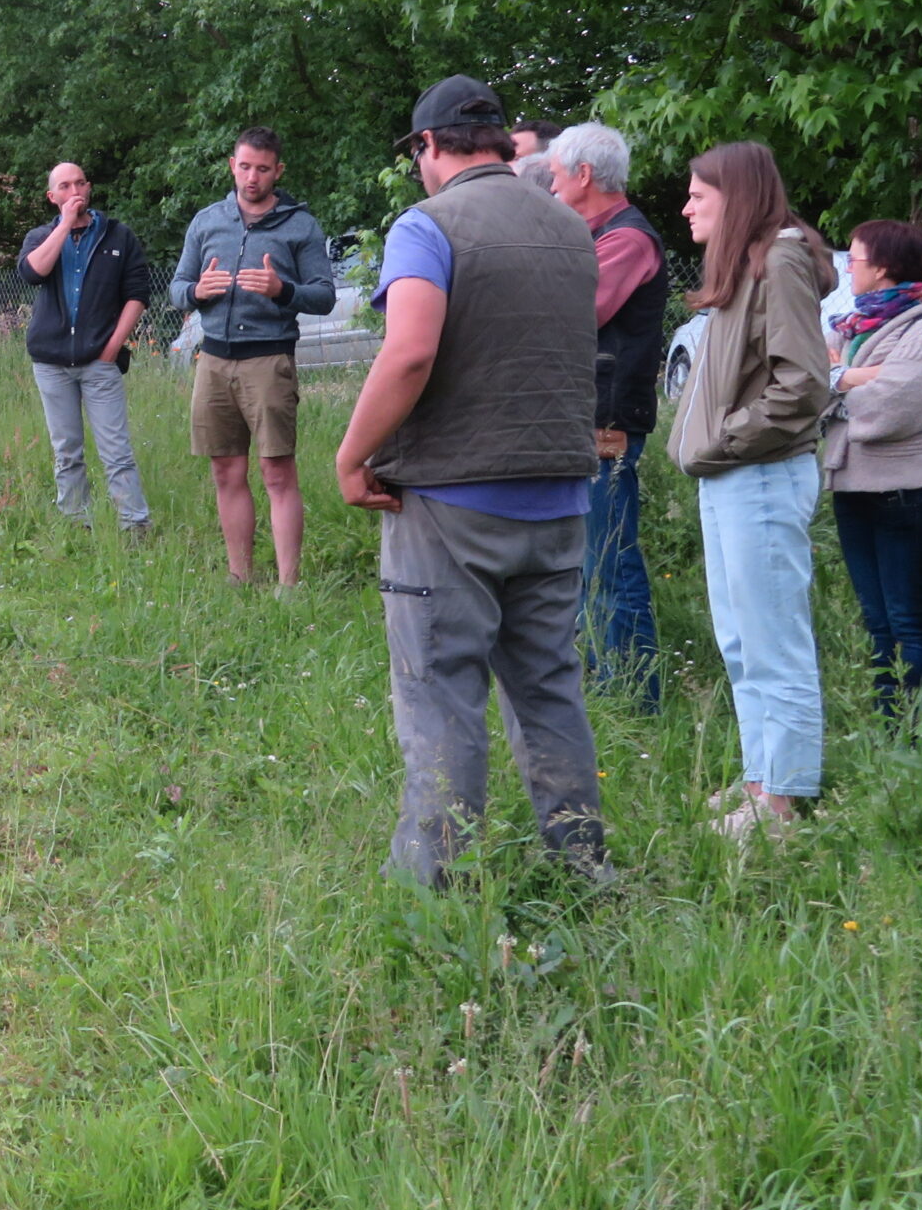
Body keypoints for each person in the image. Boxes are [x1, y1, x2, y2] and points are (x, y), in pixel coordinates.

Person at [334, 76, 609, 888]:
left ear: (427, 145)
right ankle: (583, 867)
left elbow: (410, 351)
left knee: (442, 695)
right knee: (549, 690)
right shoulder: (571, 228)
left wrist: (352, 456)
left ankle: (435, 889)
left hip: (452, 503)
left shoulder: (427, 225)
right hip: (559, 497)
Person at [669, 141, 837, 841]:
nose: (686, 207)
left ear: (735, 196)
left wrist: (725, 439)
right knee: (742, 642)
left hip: (761, 475)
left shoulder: (780, 260)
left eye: (698, 195)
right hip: (733, 477)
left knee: (774, 644)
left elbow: (803, 385)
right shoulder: (745, 264)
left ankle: (783, 804)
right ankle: (762, 780)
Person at [822, 218, 922, 735]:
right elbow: (810, 389)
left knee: (910, 621)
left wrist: (838, 379)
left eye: (854, 259)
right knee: (878, 621)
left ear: (883, 267)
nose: (848, 268)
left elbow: (891, 407)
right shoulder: (851, 328)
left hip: (912, 494)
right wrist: (849, 379)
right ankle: (890, 733)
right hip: (854, 489)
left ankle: (919, 738)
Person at [169, 128, 336, 583]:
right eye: (244, 167)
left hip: (269, 361)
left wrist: (283, 290)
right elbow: (177, 288)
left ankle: (288, 584)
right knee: (226, 470)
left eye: (262, 169)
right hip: (213, 361)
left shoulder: (300, 225)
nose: (252, 177)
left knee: (276, 472)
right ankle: (240, 576)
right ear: (232, 165)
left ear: (278, 171)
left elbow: (324, 296)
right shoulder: (208, 221)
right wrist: (196, 291)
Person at [548, 122, 669, 706]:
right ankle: (601, 685)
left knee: (610, 563)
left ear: (583, 175)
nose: (550, 187)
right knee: (585, 563)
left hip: (608, 421)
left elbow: (574, 311)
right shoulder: (596, 235)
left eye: (554, 176)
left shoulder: (627, 240)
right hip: (588, 416)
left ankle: (636, 697)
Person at [16, 162, 154, 533]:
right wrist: (63, 225)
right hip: (51, 362)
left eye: (80, 183)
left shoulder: (118, 236)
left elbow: (138, 293)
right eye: (65, 186)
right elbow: (31, 273)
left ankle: (135, 527)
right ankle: (76, 526)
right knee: (67, 452)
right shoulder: (40, 236)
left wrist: (112, 347)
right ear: (52, 196)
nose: (74, 191)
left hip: (99, 361)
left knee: (116, 451)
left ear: (89, 187)